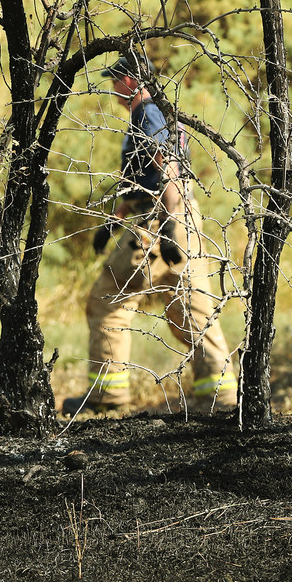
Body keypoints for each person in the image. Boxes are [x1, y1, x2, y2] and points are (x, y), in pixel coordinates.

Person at [66, 52, 238, 415]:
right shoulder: (156, 112)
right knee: (191, 310)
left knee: (107, 301)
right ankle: (221, 399)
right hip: (176, 218)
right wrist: (114, 220)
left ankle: (106, 396)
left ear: (131, 80)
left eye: (116, 79)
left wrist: (171, 221)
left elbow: (168, 164)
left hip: (161, 220)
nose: (112, 87)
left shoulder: (148, 114)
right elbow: (140, 178)